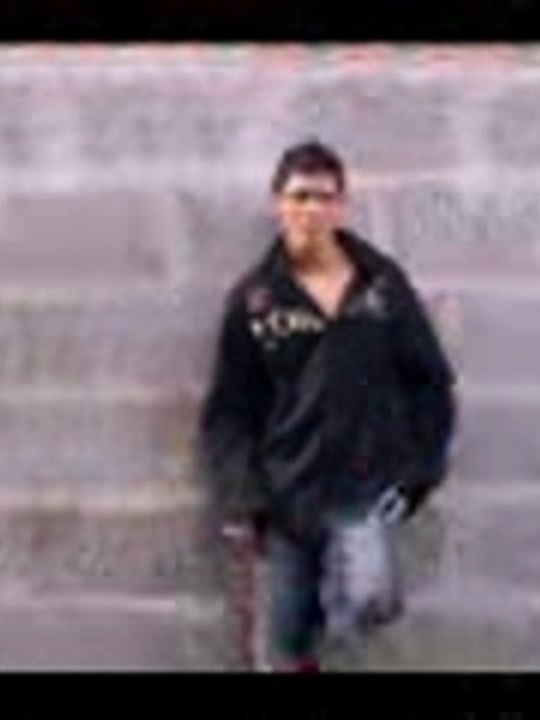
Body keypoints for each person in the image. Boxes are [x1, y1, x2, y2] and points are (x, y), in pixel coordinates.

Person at [197, 139, 457, 672]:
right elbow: (229, 409)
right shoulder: (257, 300)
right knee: (288, 645)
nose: (312, 210)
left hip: (364, 495)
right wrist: (242, 496)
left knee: (363, 618)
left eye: (324, 197)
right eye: (300, 197)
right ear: (279, 204)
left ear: (342, 207)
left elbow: (430, 383)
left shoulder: (381, 288)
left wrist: (418, 472)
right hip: (287, 499)